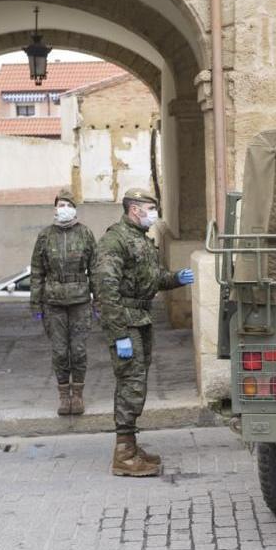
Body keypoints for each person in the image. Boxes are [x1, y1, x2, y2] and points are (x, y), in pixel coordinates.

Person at [94, 188, 194, 477]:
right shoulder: (115, 241)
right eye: (150, 209)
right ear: (134, 210)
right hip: (126, 321)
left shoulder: (139, 240)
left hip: (141, 318)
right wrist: (118, 333)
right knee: (130, 384)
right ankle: (123, 455)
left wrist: (176, 278)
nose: (154, 214)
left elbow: (153, 279)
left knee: (136, 383)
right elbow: (106, 290)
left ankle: (131, 447)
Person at [29, 188, 97, 416]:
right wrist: (36, 304)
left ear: (75, 208)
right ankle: (63, 395)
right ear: (55, 208)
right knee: (59, 351)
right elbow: (37, 271)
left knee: (78, 350)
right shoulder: (45, 236)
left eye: (68, 204)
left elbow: (95, 270)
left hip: (79, 301)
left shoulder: (85, 234)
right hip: (53, 302)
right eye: (61, 205)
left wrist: (99, 301)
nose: (64, 209)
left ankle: (77, 395)